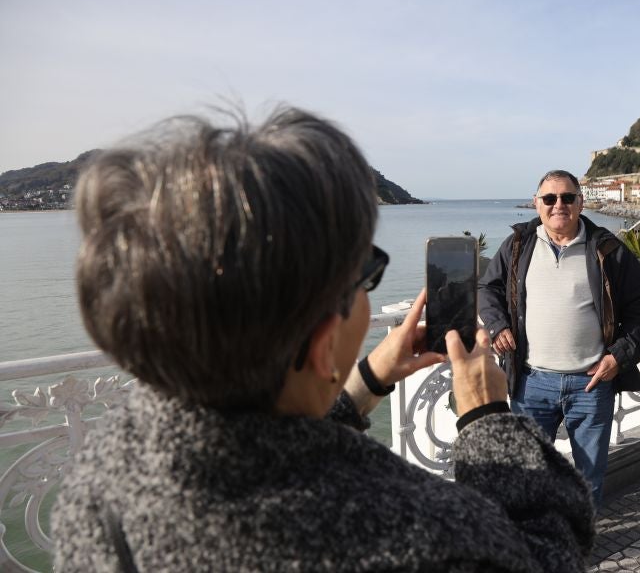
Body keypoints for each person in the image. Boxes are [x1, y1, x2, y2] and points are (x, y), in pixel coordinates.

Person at [51, 108, 594, 571]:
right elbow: (547, 554)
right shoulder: (410, 530)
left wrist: (366, 381)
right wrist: (487, 418)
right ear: (321, 342)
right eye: (365, 272)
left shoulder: (99, 480)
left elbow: (257, 449)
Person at [479, 170, 640, 507]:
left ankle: (580, 534)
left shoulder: (608, 249)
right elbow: (487, 287)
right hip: (530, 383)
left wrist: (618, 356)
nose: (558, 204)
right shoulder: (518, 245)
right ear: (537, 204)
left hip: (590, 385)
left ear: (580, 202)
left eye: (567, 197)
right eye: (549, 198)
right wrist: (497, 325)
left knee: (588, 478)